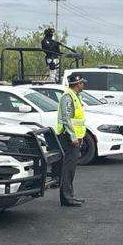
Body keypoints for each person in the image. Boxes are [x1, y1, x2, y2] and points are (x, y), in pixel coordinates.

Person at [55, 73, 87, 207]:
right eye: (82, 83)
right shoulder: (67, 97)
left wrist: (80, 136)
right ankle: (67, 198)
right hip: (68, 137)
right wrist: (73, 136)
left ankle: (69, 196)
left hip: (74, 137)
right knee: (68, 169)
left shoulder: (75, 96)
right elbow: (66, 119)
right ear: (77, 84)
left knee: (71, 169)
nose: (83, 85)